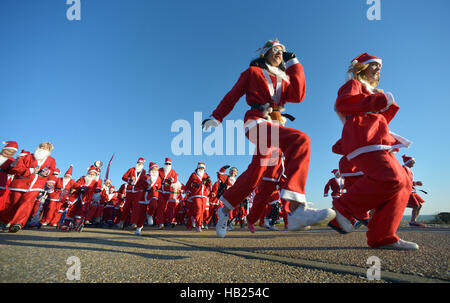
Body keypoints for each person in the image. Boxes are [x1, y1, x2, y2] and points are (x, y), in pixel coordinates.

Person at [202, 39, 335, 238]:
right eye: (275, 50)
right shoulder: (252, 73)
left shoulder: (284, 77)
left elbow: (299, 95)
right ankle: (297, 209)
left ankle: (223, 210)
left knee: (257, 174)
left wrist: (294, 63)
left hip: (276, 125)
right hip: (256, 122)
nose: (279, 53)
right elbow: (232, 95)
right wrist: (216, 117)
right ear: (265, 54)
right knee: (301, 140)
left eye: (282, 51)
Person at [331, 52, 418, 250]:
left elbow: (379, 117)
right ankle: (344, 207)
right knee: (392, 177)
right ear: (361, 67)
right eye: (373, 65)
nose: (378, 69)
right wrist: (377, 102)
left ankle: (383, 236)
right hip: (363, 137)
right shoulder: (354, 85)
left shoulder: (373, 91)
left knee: (404, 181)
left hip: (378, 138)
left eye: (379, 66)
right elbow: (342, 104)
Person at [4, 142, 56, 233]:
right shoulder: (27, 157)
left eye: (46, 148)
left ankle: (18, 223)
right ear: (38, 147)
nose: (43, 149)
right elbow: (16, 169)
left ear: (49, 151)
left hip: (36, 186)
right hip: (20, 184)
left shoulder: (51, 160)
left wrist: (47, 172)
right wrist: (31, 170)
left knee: (27, 204)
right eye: (42, 147)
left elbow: (51, 171)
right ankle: (4, 221)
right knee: (12, 203)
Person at [61, 165, 102, 230]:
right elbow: (75, 184)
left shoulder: (95, 182)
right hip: (76, 195)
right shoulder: (82, 178)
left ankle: (77, 224)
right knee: (72, 209)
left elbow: (93, 189)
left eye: (93, 174)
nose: (91, 175)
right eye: (90, 173)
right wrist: (81, 186)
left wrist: (87, 189)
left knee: (82, 211)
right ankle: (66, 223)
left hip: (86, 197)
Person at [121, 157, 147, 229]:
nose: (140, 164)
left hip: (138, 191)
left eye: (141, 163)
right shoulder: (131, 169)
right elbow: (123, 177)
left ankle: (134, 223)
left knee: (136, 207)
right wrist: (129, 179)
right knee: (127, 206)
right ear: (137, 163)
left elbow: (144, 181)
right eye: (139, 163)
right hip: (130, 190)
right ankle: (122, 221)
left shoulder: (144, 171)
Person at [185, 162, 212, 232]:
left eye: (203, 168)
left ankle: (195, 219)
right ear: (197, 168)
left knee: (202, 210)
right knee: (198, 208)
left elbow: (209, 185)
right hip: (196, 195)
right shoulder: (193, 175)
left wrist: (209, 182)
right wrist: (187, 190)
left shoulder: (206, 175)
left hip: (204, 195)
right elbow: (188, 184)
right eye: (200, 168)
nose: (201, 169)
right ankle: (198, 225)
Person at [402, 155, 426, 228]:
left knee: (419, 205)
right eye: (413, 161)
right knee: (416, 205)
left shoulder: (408, 169)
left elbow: (409, 181)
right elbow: (404, 181)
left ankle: (414, 221)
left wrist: (415, 183)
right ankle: (412, 222)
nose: (414, 163)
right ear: (408, 162)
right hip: (407, 191)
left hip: (411, 190)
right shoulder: (404, 169)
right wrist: (415, 183)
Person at [155, 158, 178, 229]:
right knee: (161, 207)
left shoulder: (173, 172)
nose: (168, 165)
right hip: (160, 191)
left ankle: (170, 221)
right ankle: (160, 223)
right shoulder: (160, 170)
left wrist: (173, 180)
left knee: (168, 207)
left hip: (168, 192)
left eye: (169, 164)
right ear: (164, 164)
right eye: (166, 163)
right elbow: (154, 176)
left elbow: (175, 179)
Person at [0, 141, 19, 226]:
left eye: (11, 153)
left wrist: (15, 164)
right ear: (4, 149)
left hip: (2, 180)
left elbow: (12, 171)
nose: (8, 153)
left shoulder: (11, 160)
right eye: (8, 151)